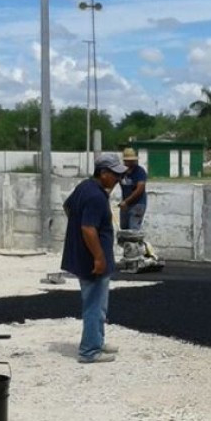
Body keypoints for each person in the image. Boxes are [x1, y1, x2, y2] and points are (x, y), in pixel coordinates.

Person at [61, 153, 127, 364]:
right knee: (94, 306)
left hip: (84, 256)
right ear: (104, 173)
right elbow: (88, 229)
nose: (118, 179)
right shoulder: (96, 197)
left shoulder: (85, 187)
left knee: (99, 305)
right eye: (115, 175)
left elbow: (67, 206)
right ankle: (89, 351)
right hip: (92, 260)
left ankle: (96, 341)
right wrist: (98, 257)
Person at [118, 147, 148, 230]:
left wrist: (126, 201)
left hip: (138, 204)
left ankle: (135, 242)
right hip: (126, 204)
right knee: (124, 228)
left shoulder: (140, 171)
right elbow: (112, 182)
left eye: (132, 160)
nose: (130, 162)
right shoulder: (121, 172)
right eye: (127, 160)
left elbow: (140, 189)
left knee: (133, 229)